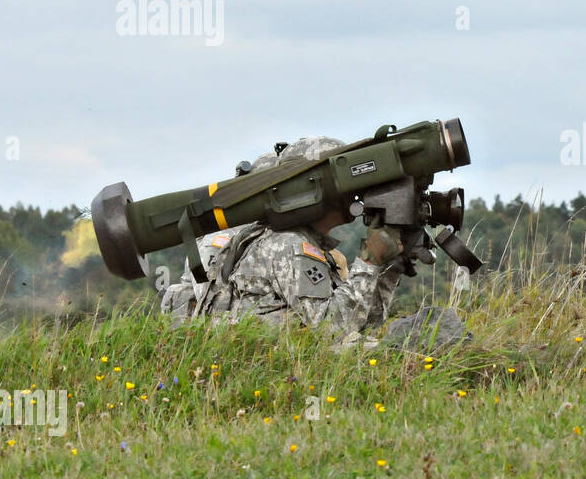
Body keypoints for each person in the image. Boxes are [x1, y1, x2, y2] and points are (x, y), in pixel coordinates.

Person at [160, 136, 413, 334]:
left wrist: (389, 266)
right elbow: (332, 329)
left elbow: (363, 323)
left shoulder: (312, 248)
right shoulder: (288, 246)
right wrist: (369, 261)